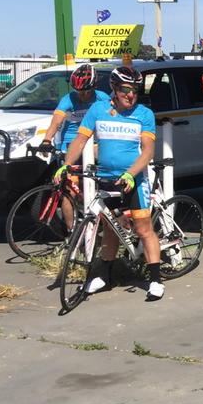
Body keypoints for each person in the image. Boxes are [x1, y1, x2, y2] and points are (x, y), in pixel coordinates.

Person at [54, 66, 164, 299]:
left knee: (143, 228)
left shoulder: (144, 114)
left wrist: (130, 174)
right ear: (114, 88)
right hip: (105, 177)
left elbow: (148, 151)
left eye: (135, 90)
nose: (130, 95)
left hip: (134, 179)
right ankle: (104, 277)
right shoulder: (98, 109)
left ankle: (155, 279)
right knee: (110, 228)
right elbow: (80, 140)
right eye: (125, 89)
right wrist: (66, 164)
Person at [39, 63, 110, 229]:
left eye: (86, 91)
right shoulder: (68, 99)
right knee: (69, 191)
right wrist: (47, 140)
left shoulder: (103, 98)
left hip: (92, 144)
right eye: (78, 91)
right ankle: (71, 232)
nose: (82, 95)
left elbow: (112, 118)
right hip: (70, 145)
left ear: (94, 87)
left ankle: (103, 222)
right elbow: (56, 122)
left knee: (100, 183)